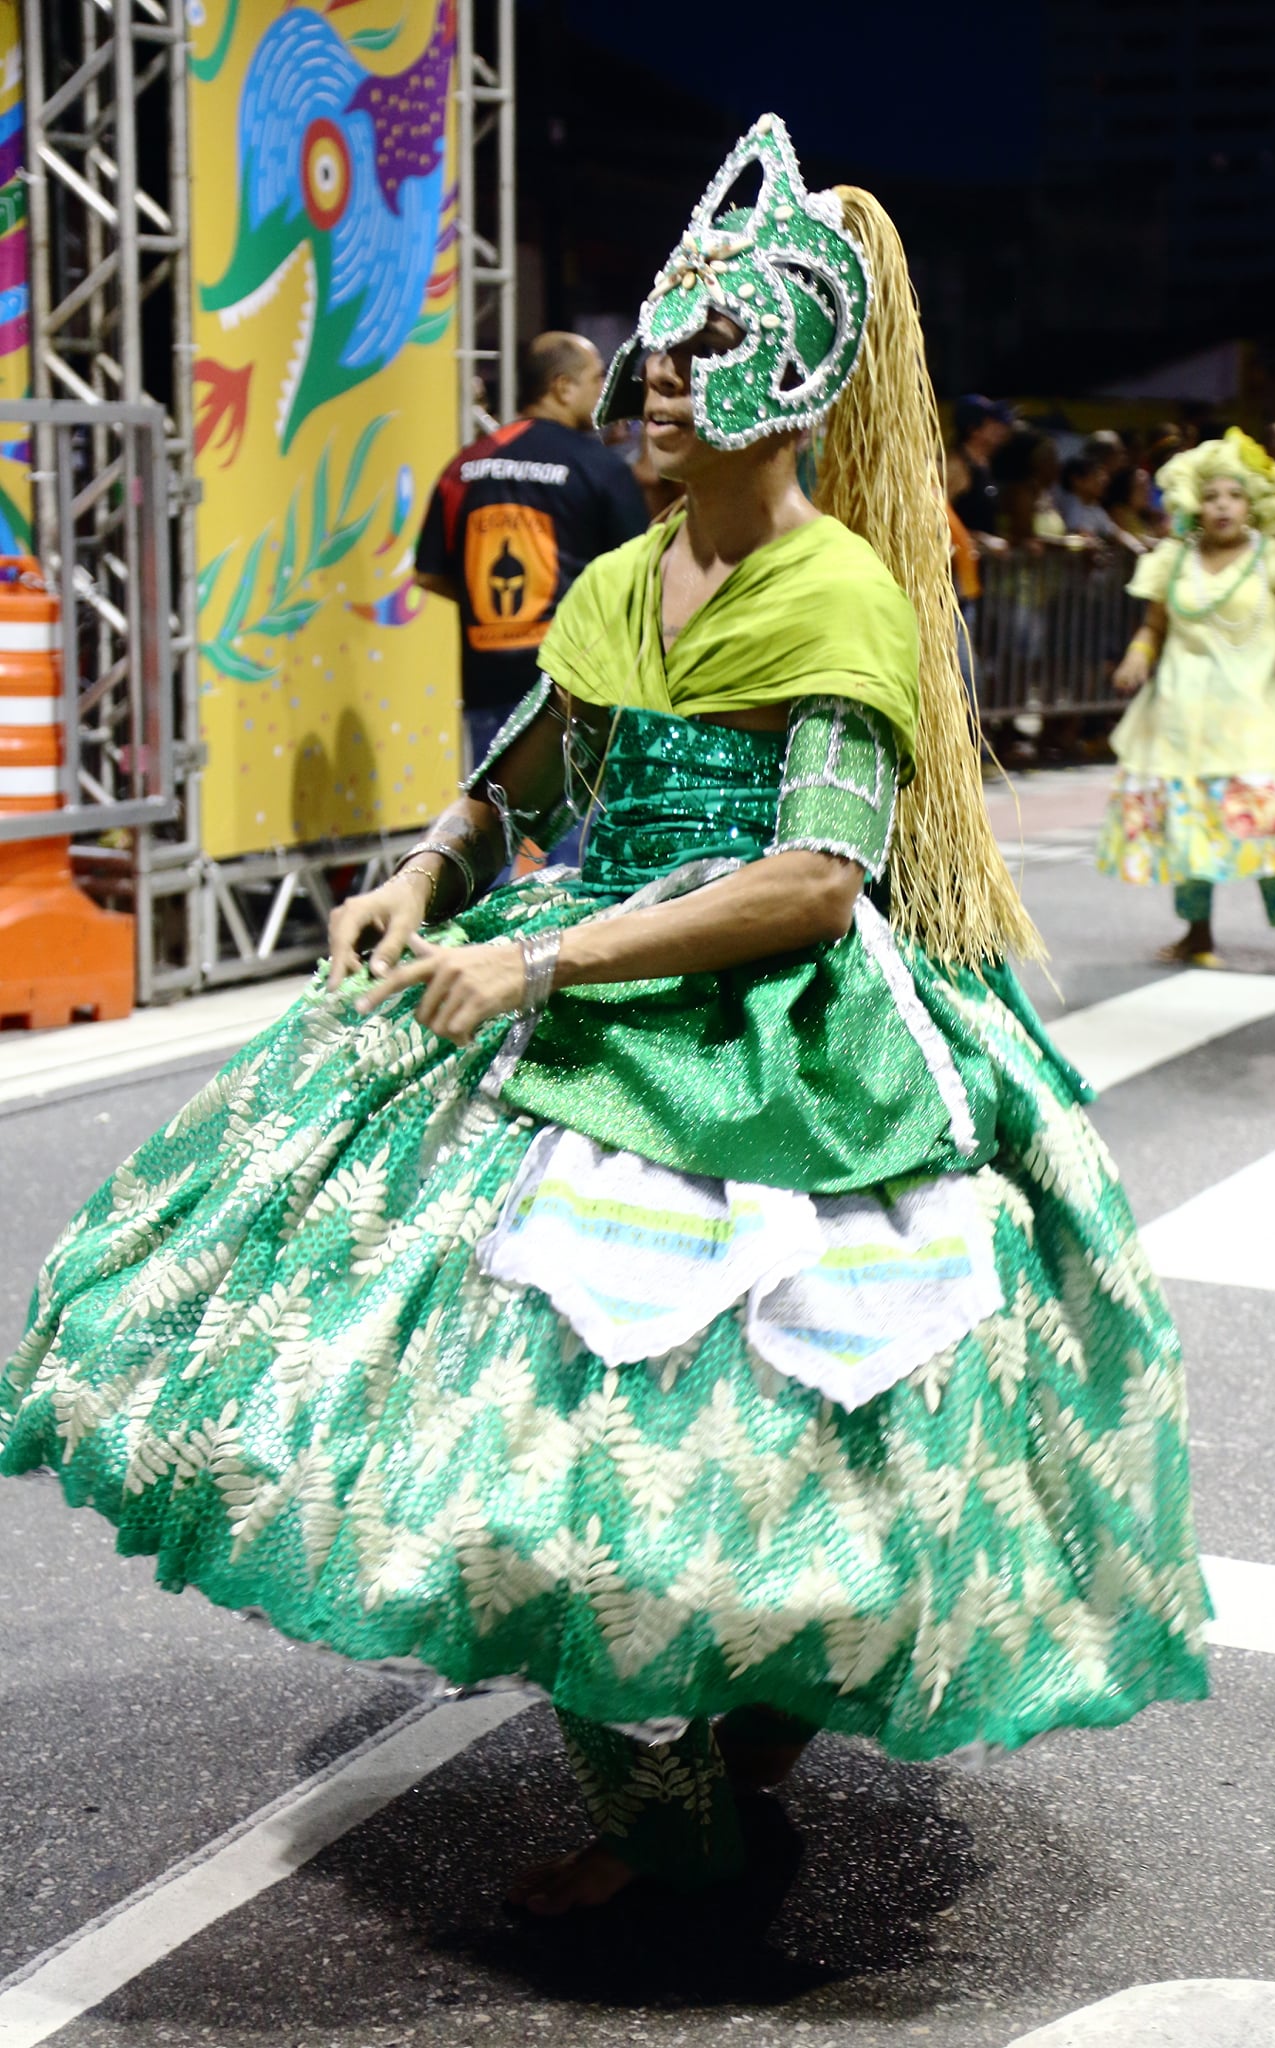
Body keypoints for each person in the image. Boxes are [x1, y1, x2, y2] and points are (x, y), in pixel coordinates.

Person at [0, 116, 1209, 1917]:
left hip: (773, 1049)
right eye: (659, 342)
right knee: (539, 1451)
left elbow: (816, 879)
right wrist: (429, 873)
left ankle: (705, 1813)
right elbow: (533, 765)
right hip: (581, 991)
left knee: (768, 1451)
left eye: (706, 350)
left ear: (789, 394)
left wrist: (548, 962)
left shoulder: (840, 593)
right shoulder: (628, 575)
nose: (658, 374)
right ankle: (682, 1810)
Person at [1098, 428, 1275, 974]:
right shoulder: (1174, 562)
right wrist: (1137, 656)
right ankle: (1196, 932)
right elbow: (1154, 627)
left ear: (1253, 504)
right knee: (1191, 824)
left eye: (1234, 496)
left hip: (1261, 711)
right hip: (1185, 714)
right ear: (1195, 504)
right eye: (1212, 496)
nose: (1222, 506)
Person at [415, 331, 647, 774]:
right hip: (578, 690)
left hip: (487, 689)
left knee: (497, 813)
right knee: (579, 817)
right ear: (563, 387)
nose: (604, 391)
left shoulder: (464, 467)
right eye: (597, 378)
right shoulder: (599, 468)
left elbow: (429, 573)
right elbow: (642, 575)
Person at [946, 394, 1012, 546]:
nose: (1001, 428)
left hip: (982, 558)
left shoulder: (983, 464)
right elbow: (936, 519)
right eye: (993, 423)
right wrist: (977, 538)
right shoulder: (955, 467)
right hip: (959, 559)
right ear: (973, 430)